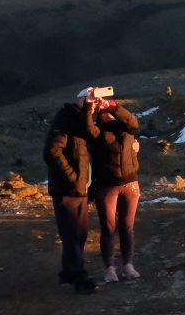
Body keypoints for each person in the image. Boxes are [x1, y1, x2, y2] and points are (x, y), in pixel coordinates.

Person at [44, 88, 101, 293]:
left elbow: (93, 138)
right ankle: (80, 279)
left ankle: (68, 272)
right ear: (78, 100)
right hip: (67, 189)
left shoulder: (84, 122)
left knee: (80, 235)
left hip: (81, 189)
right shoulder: (65, 119)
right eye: (87, 100)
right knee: (71, 237)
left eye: (92, 101)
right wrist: (72, 177)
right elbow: (51, 151)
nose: (91, 104)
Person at [89, 92, 141, 283]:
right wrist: (91, 106)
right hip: (106, 185)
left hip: (130, 183)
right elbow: (86, 126)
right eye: (103, 111)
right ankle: (109, 269)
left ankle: (128, 265)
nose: (107, 113)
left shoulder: (127, 129)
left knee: (127, 227)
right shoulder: (96, 131)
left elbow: (133, 121)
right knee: (108, 228)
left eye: (109, 110)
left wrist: (111, 105)